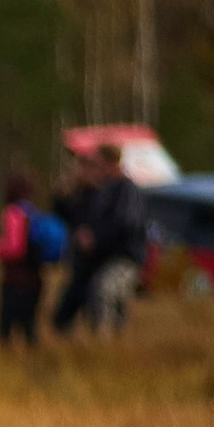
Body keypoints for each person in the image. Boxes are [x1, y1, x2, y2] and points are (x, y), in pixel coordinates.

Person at [51, 142, 147, 335]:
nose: (97, 169)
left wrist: (95, 239)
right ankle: (97, 347)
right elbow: (69, 215)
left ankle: (105, 346)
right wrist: (69, 188)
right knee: (67, 312)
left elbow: (125, 223)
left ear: (111, 163)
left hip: (122, 258)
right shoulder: (95, 191)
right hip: (94, 261)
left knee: (103, 291)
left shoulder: (125, 189)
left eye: (99, 163)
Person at [0, 172, 63, 347]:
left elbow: (14, 248)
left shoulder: (12, 213)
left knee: (5, 329)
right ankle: (34, 365)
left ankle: (5, 366)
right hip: (35, 279)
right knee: (30, 327)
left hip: (15, 280)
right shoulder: (33, 212)